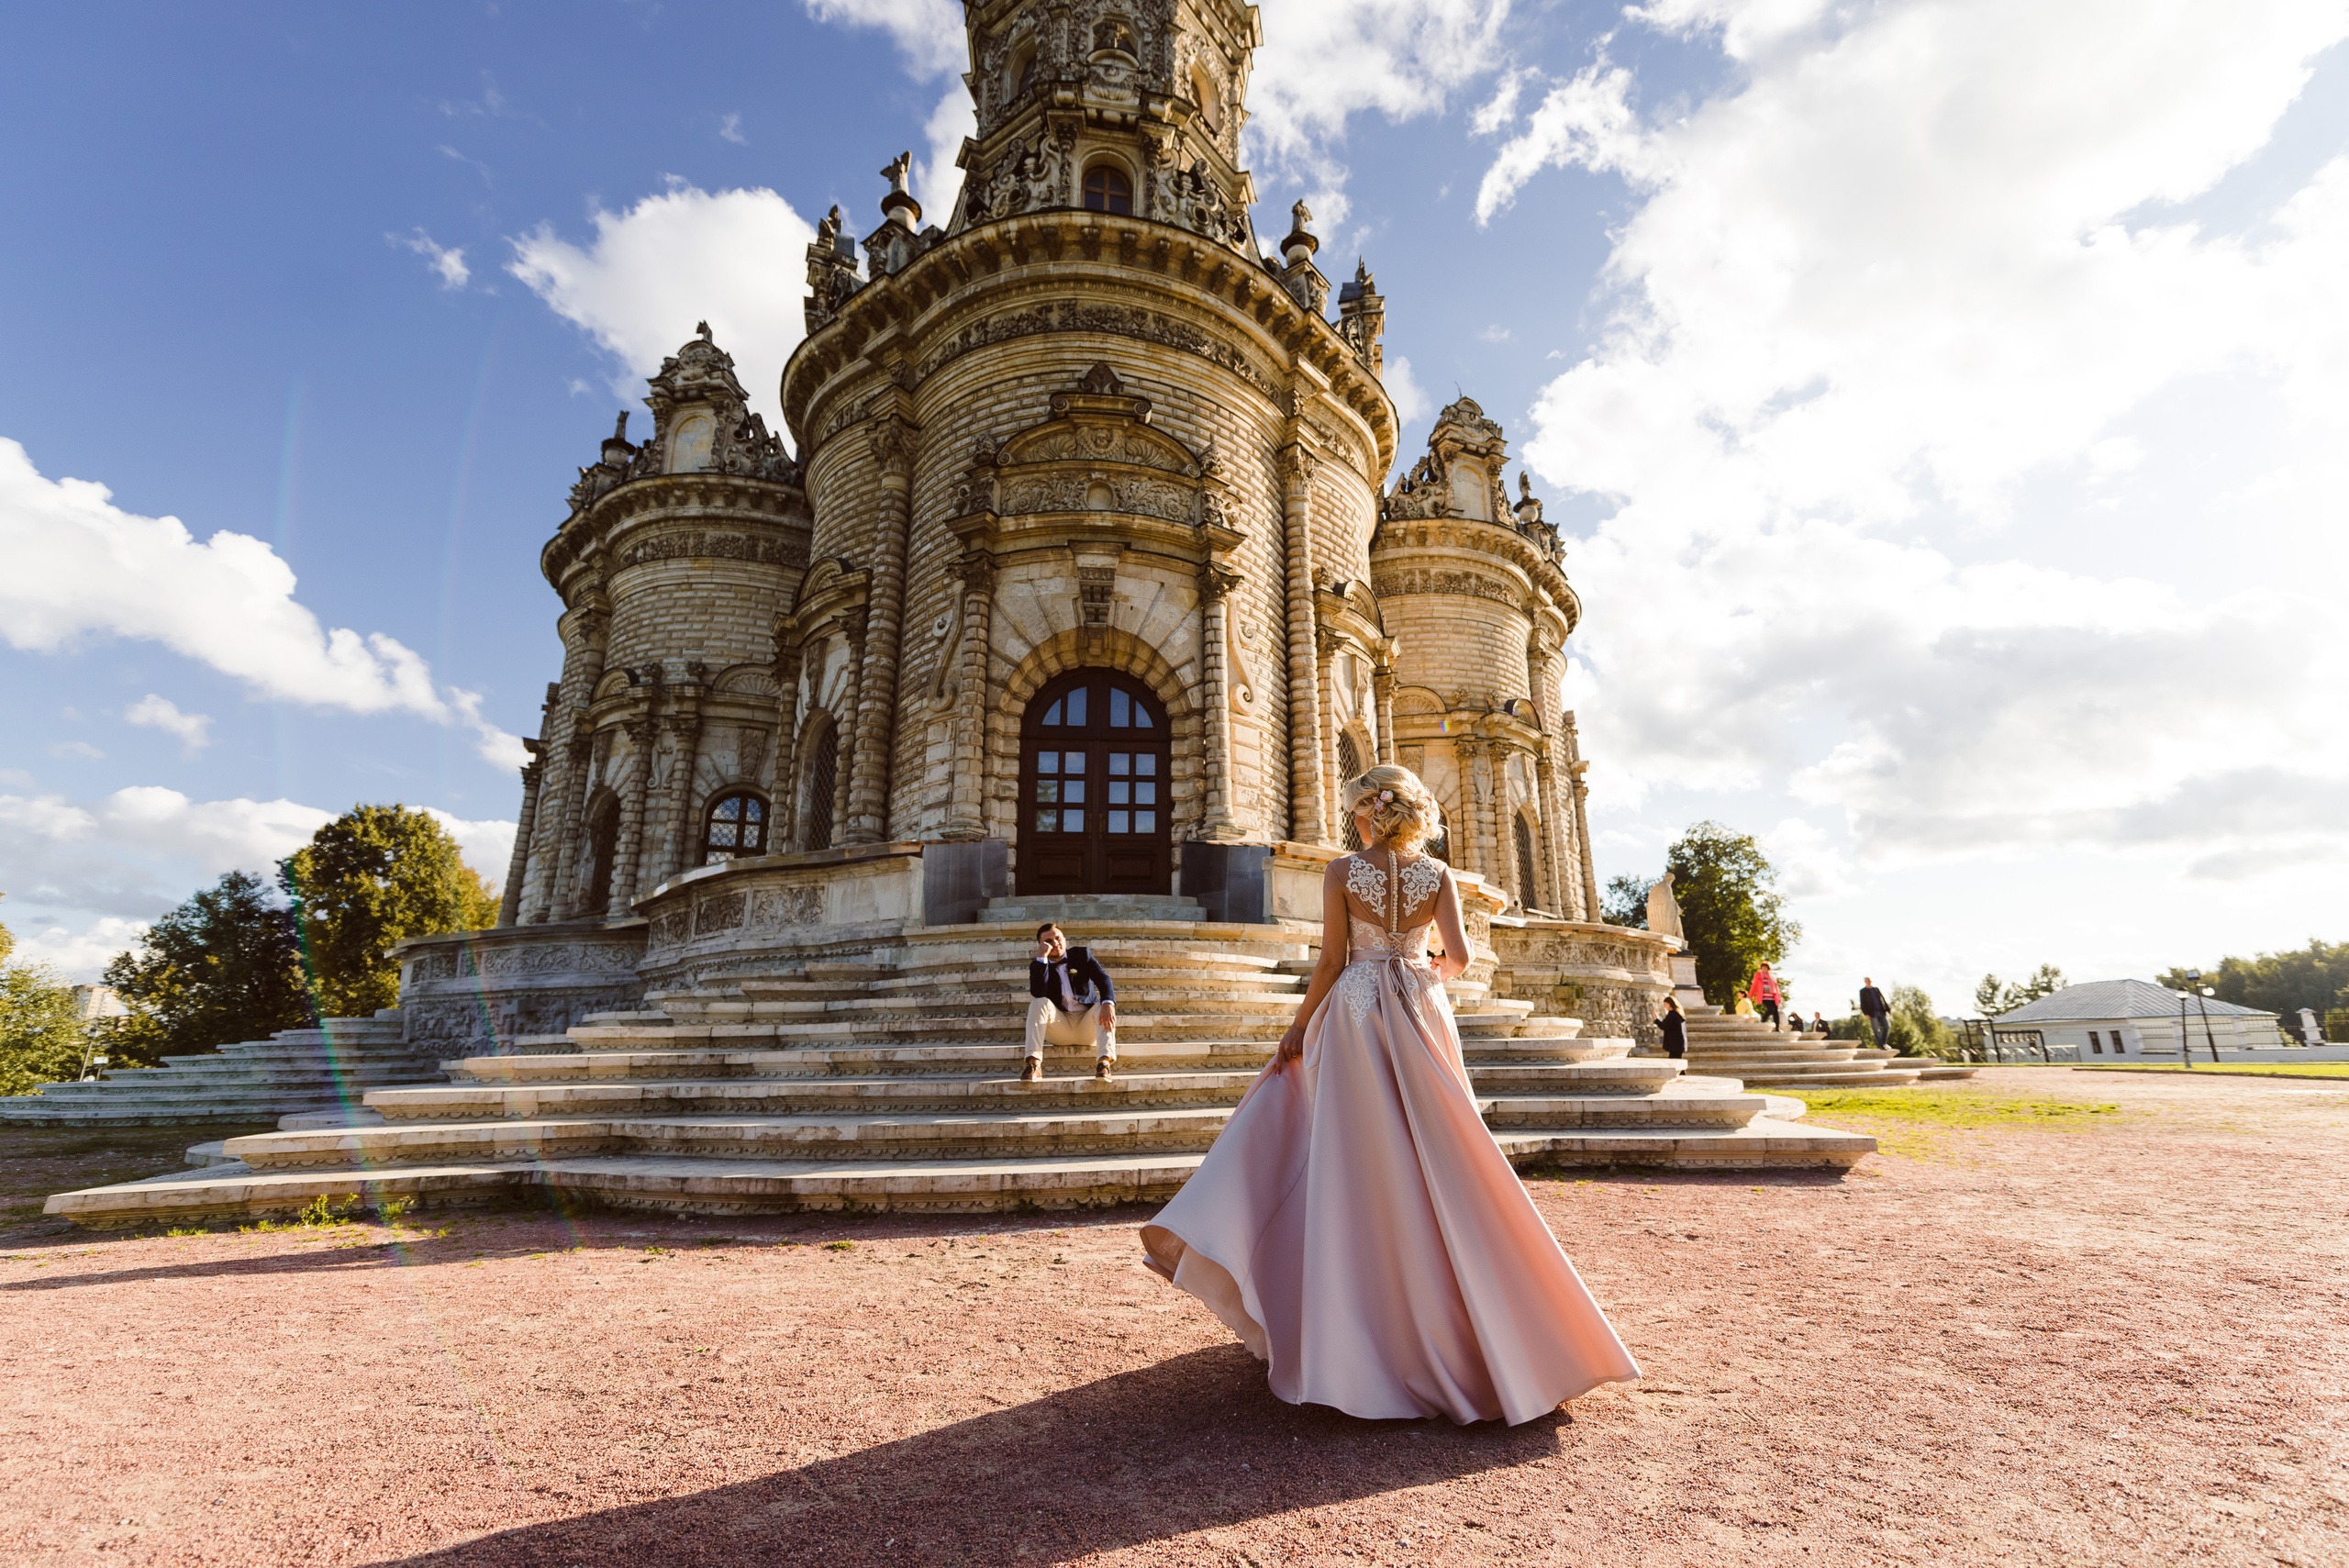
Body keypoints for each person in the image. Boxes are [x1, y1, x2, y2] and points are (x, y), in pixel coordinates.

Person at [1141, 765, 1641, 1425]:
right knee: (1440, 1150)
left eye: (1355, 809)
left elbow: (1331, 960)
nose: (1353, 819)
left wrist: (1296, 1027)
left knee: (1357, 1159)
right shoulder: (1440, 877)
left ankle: (1348, 1333)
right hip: (1420, 1004)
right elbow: (1458, 956)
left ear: (1369, 813)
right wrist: (1423, 972)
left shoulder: (1343, 873)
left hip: (1355, 1010)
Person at [1027, 923, 1117, 1083]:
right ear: (1041, 945)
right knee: (1038, 1002)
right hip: (1060, 1029)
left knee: (1104, 1004)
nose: (1055, 943)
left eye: (1058, 938)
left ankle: (1104, 1063)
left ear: (1065, 940)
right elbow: (1038, 992)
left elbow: (1104, 979)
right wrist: (1042, 959)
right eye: (1049, 941)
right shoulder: (1038, 966)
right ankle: (1034, 1065)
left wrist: (1108, 1003)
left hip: (1086, 1025)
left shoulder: (1082, 955)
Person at [1747, 963, 1783, 1030]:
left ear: (1768, 968)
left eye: (1765, 967)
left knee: (1776, 1012)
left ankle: (1777, 1028)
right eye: (1763, 967)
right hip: (1764, 997)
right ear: (1761, 968)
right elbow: (1754, 986)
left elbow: (1776, 987)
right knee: (1771, 1009)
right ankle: (1763, 1020)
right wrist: (1750, 996)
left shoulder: (1772, 977)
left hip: (1773, 997)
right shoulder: (1758, 976)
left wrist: (1779, 997)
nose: (1764, 969)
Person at [1857, 977, 1890, 1050]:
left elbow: (1883, 999)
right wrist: (1865, 1013)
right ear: (1865, 982)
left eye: (1869, 980)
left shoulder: (1876, 989)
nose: (1868, 982)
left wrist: (1888, 1009)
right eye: (1866, 981)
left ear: (1871, 981)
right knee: (1876, 1030)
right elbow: (1862, 1003)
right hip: (1872, 1013)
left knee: (1887, 1026)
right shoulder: (1863, 991)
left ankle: (1883, 1043)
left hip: (1881, 1011)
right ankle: (1881, 1045)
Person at [1655, 995, 1687, 1059]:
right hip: (1679, 1044)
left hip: (1675, 1045)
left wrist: (1656, 1019)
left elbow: (1664, 1026)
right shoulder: (1678, 1014)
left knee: (1674, 1063)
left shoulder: (1672, 1014)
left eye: (1665, 1004)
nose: (1664, 1006)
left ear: (1669, 1004)